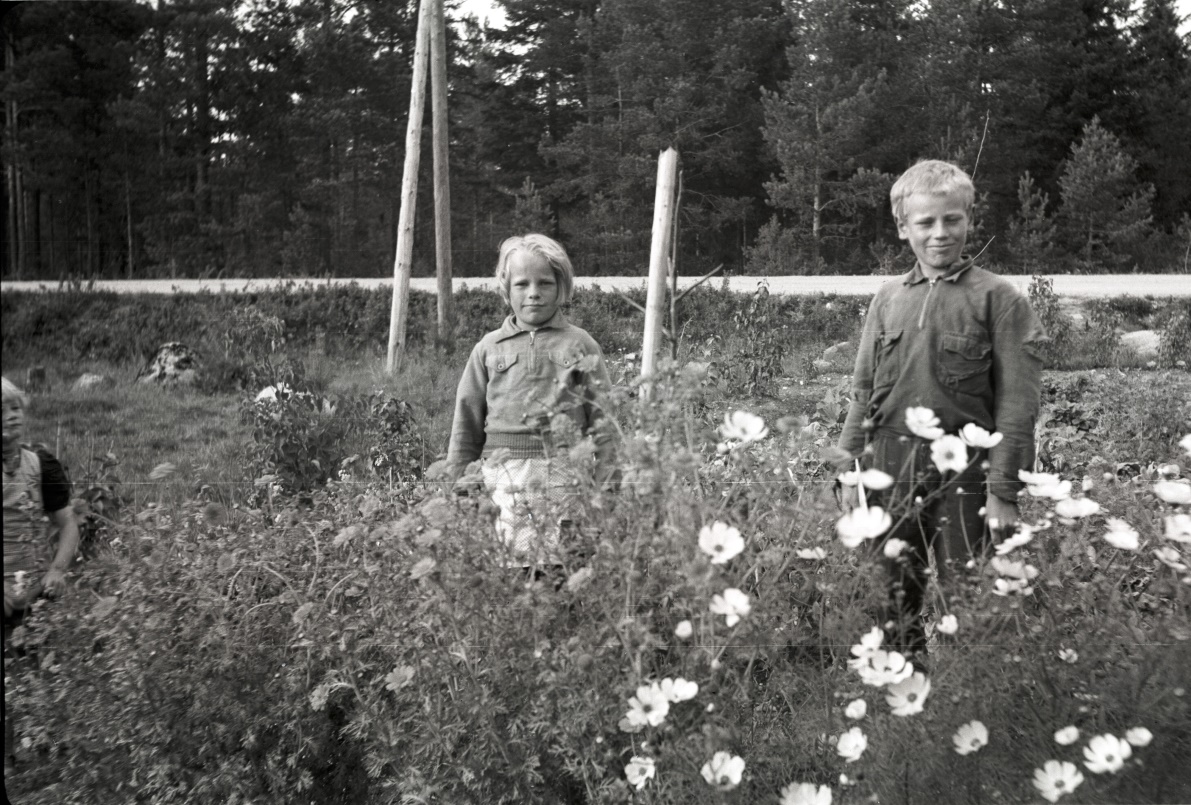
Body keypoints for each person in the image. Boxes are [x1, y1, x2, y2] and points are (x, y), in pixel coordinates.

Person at [837, 160, 1047, 655]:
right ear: (902, 227)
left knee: (970, 599)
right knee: (891, 597)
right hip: (889, 466)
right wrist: (849, 469)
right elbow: (863, 390)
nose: (940, 234)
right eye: (926, 223)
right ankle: (902, 704)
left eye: (952, 220)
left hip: (967, 469)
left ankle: (970, 705)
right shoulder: (887, 299)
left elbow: (1018, 406)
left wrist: (1003, 492)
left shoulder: (1000, 300)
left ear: (969, 218)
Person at [444, 234, 613, 567]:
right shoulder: (488, 348)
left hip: (564, 474)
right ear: (506, 289)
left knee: (563, 568)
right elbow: (467, 424)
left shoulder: (579, 344)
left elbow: (605, 422)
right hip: (504, 479)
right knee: (511, 569)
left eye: (545, 283)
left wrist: (608, 487)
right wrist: (459, 485)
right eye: (522, 284)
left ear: (561, 287)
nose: (533, 293)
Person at [4, 375, 81, 772]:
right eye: (0, 411)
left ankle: (55, 757)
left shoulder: (40, 464)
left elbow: (68, 525)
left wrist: (56, 570)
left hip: (36, 591)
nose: (9, 417)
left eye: (13, 408)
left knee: (46, 669)